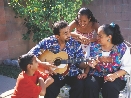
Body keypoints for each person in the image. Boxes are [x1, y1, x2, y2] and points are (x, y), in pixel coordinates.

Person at [28, 21, 88, 98]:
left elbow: (81, 64)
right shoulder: (49, 42)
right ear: (57, 36)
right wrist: (43, 64)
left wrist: (86, 63)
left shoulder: (75, 44)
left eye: (69, 31)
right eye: (65, 33)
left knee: (79, 84)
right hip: (54, 74)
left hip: (72, 73)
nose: (69, 35)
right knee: (51, 88)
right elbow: (31, 54)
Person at [84, 22, 131, 98]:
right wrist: (89, 62)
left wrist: (114, 75)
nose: (97, 38)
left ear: (109, 37)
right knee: (90, 84)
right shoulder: (93, 46)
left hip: (116, 76)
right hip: (96, 74)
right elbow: (86, 60)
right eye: (97, 35)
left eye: (100, 36)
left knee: (109, 87)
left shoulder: (122, 48)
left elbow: (127, 67)